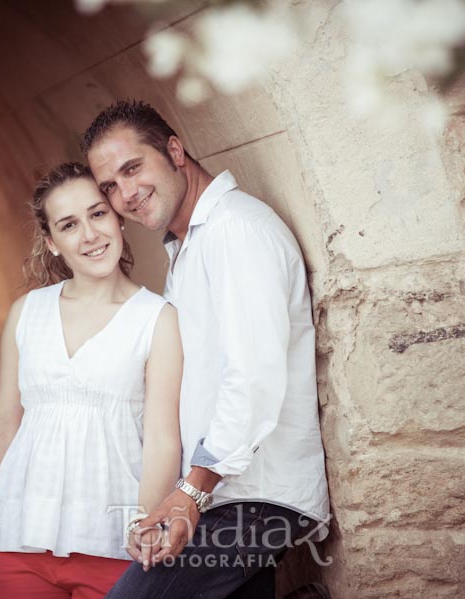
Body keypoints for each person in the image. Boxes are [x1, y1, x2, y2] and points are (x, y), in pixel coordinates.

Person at [84, 101, 330, 599]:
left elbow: (253, 380)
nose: (125, 194)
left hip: (253, 497)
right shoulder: (190, 246)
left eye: (133, 169)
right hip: (225, 496)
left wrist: (191, 492)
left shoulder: (236, 232)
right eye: (110, 186)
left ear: (174, 151)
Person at [0, 162, 183, 599]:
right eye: (69, 225)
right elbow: (3, 427)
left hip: (115, 548)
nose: (90, 235)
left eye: (98, 214)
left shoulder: (157, 319)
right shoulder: (26, 313)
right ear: (52, 243)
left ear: (118, 218)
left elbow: (162, 442)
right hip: (17, 542)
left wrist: (144, 527)